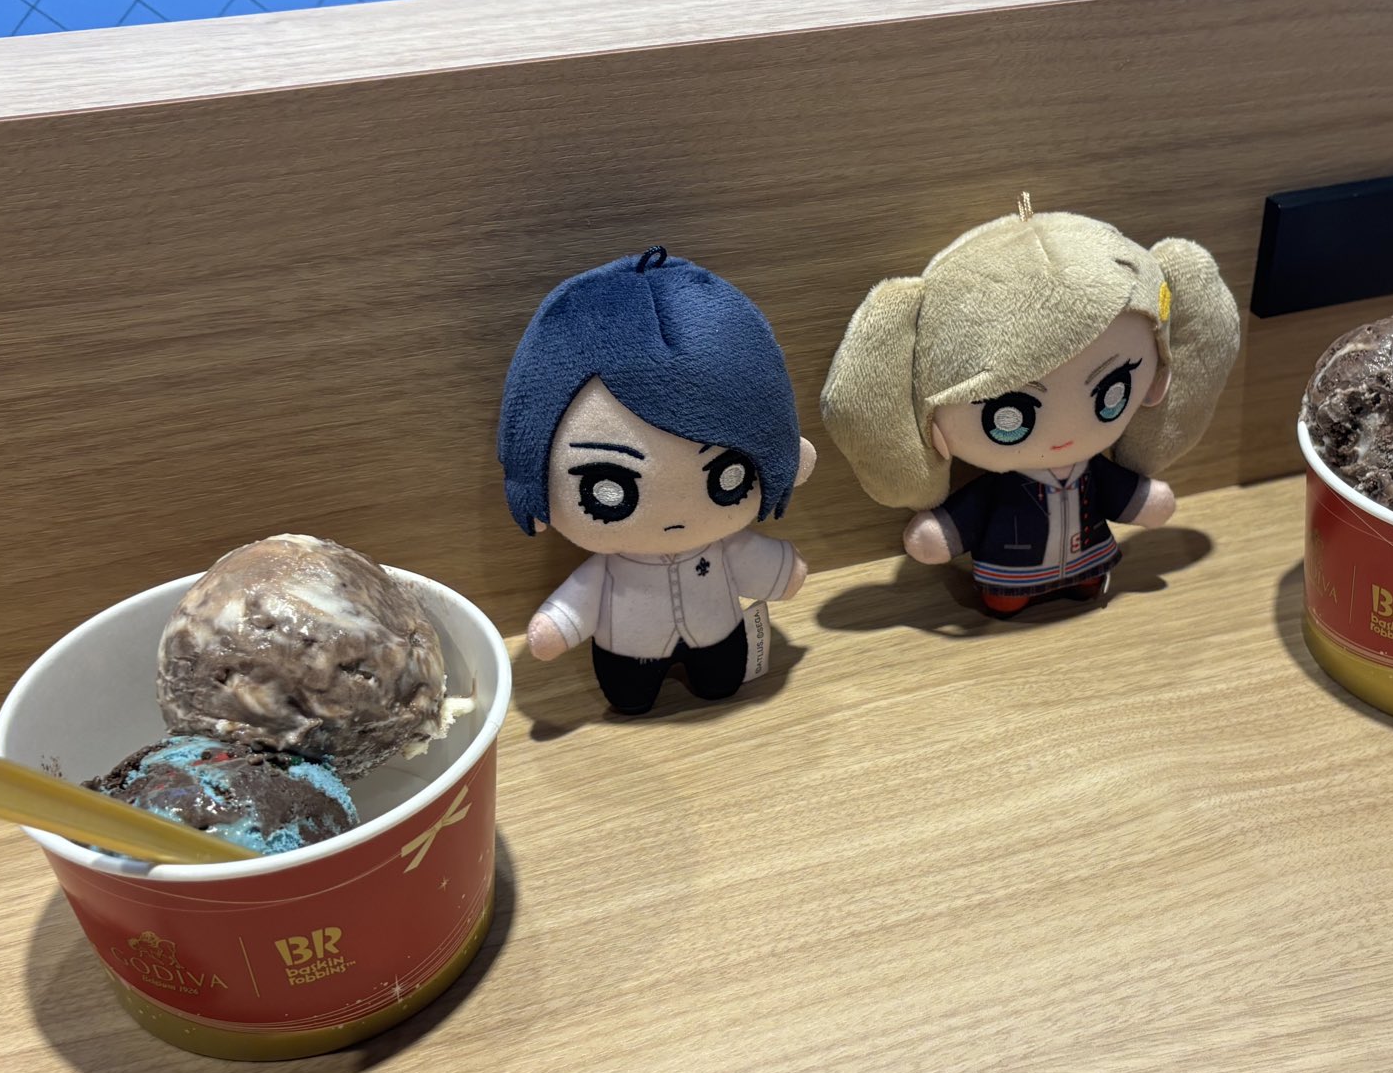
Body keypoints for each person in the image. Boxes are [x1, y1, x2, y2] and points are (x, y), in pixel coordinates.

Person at [819, 201, 1240, 616]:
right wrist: (942, 531)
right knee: (1005, 598)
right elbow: (966, 516)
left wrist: (1145, 501)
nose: (1065, 434)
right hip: (1010, 572)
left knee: (1087, 580)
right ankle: (1014, 596)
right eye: (1009, 418)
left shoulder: (1094, 472)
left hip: (1088, 558)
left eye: (1111, 394)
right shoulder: (999, 488)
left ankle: (1083, 581)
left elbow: (1122, 494)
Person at [499, 248, 815, 713]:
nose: (674, 516)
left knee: (721, 681)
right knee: (629, 696)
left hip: (719, 638)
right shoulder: (611, 568)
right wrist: (557, 626)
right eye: (608, 490)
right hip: (626, 652)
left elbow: (764, 566)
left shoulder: (723, 548)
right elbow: (579, 601)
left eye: (726, 477)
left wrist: (784, 573)